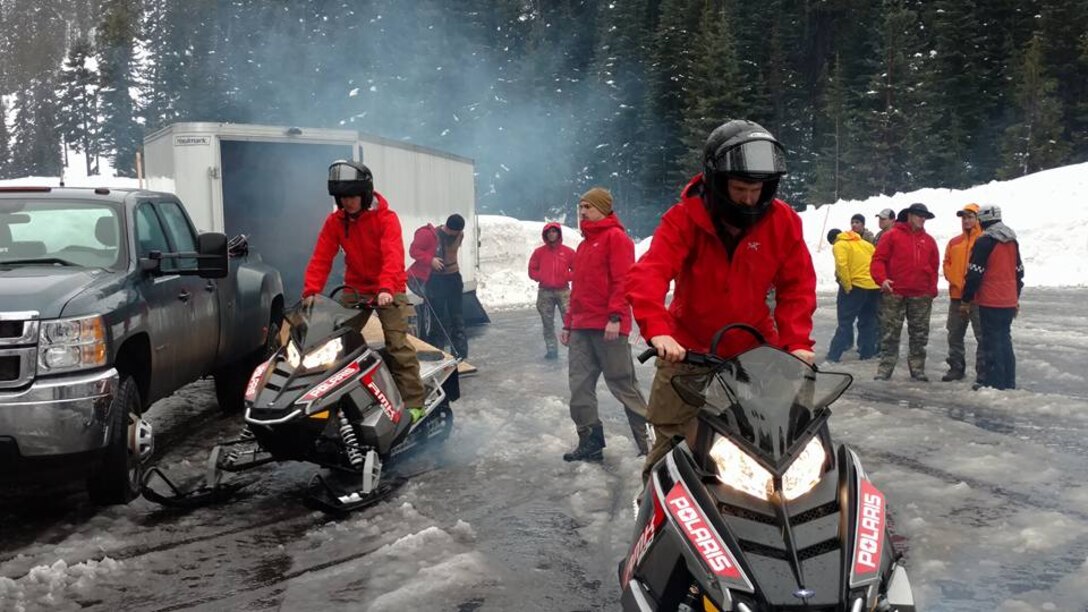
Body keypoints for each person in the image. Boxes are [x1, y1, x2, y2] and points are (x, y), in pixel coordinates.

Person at [625, 120, 816, 480]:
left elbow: (797, 286)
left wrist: (796, 342)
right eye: (740, 188)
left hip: (755, 351)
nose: (748, 198)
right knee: (669, 442)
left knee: (781, 441)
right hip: (686, 351)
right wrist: (659, 331)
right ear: (717, 181)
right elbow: (648, 273)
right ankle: (654, 510)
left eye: (756, 189)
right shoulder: (684, 220)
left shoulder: (783, 222)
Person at [303, 160, 426, 421]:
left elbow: (393, 256)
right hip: (355, 288)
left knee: (397, 346)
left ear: (365, 194)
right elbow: (321, 257)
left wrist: (385, 288)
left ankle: (415, 404)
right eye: (342, 197)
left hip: (388, 287)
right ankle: (334, 401)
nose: (347, 202)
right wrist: (311, 292)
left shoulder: (386, 219)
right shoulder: (336, 221)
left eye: (352, 196)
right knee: (335, 345)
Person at [560, 187, 650, 462]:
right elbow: (578, 290)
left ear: (603, 209)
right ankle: (590, 441)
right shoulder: (584, 245)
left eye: (588, 207)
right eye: (581, 207)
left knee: (623, 384)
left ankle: (649, 442)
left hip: (609, 326)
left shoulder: (617, 238)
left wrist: (615, 317)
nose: (583, 212)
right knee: (579, 386)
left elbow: (623, 281)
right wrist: (567, 324)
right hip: (581, 327)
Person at [869, 202, 939, 381]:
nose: (922, 219)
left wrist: (931, 290)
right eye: (918, 215)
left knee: (920, 334)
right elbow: (878, 260)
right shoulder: (891, 235)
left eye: (924, 217)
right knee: (890, 333)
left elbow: (934, 266)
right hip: (895, 292)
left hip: (921, 295)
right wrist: (882, 279)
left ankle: (917, 369)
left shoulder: (929, 241)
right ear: (909, 216)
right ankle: (885, 369)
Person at [962, 205, 1023, 390]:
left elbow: (974, 273)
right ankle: (1008, 381)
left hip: (990, 299)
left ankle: (994, 383)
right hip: (1008, 299)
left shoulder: (985, 241)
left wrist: (966, 298)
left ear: (982, 221)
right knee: (1005, 339)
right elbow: (1019, 271)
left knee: (991, 341)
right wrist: (1015, 296)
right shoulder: (1012, 241)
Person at [940, 203, 983, 382]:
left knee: (982, 335)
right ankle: (956, 367)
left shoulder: (984, 240)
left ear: (977, 219)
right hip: (957, 296)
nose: (966, 221)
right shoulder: (954, 242)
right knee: (954, 334)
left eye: (970, 217)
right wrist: (957, 283)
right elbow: (946, 263)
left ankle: (983, 370)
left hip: (978, 298)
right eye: (963, 217)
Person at [825, 228, 880, 362]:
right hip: (873, 287)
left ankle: (834, 355)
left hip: (855, 286)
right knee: (868, 320)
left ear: (833, 240)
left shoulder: (839, 245)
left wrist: (847, 286)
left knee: (845, 321)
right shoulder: (865, 244)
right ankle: (867, 353)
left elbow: (842, 265)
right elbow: (877, 261)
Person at [528, 222, 575, 360]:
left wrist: (568, 276)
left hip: (563, 291)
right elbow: (532, 270)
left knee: (569, 321)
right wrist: (541, 276)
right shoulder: (539, 252)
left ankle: (574, 350)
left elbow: (579, 269)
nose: (551, 234)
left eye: (554, 231)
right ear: (545, 235)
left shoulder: (568, 252)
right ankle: (552, 350)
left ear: (559, 234)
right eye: (549, 232)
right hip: (545, 292)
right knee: (547, 323)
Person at [425, 214, 469, 359]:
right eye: (453, 232)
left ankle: (460, 355)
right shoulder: (434, 235)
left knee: (457, 317)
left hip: (453, 278)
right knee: (437, 319)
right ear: (448, 228)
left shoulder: (460, 234)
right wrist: (430, 260)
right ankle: (437, 354)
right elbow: (416, 251)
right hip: (436, 279)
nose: (455, 235)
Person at [406, 221, 438, 339]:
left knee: (430, 308)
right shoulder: (427, 234)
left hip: (431, 279)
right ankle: (427, 338)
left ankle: (429, 338)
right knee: (429, 308)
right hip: (419, 278)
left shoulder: (445, 237)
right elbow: (413, 251)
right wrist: (430, 261)